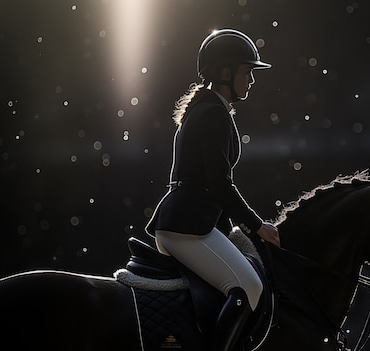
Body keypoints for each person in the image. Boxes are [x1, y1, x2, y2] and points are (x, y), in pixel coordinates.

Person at [144, 29, 280, 351]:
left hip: (186, 222)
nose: (251, 80)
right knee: (249, 287)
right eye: (247, 71)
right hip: (188, 227)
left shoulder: (206, 110)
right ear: (224, 73)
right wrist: (256, 224)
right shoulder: (214, 115)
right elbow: (220, 185)